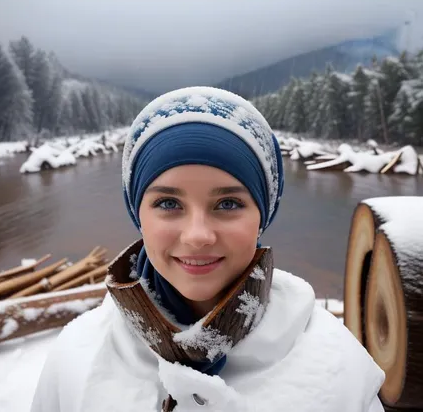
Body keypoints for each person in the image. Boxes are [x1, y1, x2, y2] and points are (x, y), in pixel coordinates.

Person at [31, 86, 385, 412]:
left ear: (264, 213)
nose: (198, 236)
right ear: (137, 214)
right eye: (169, 203)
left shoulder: (339, 369)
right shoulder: (76, 358)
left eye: (228, 203)